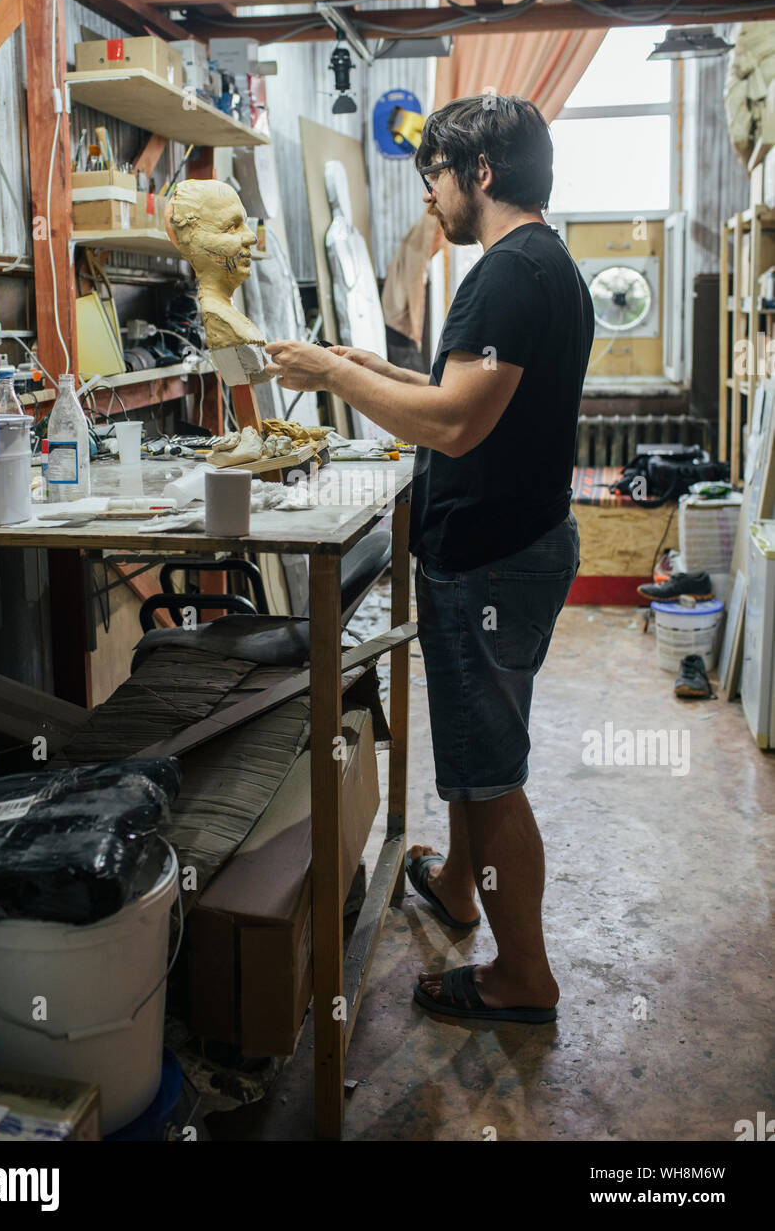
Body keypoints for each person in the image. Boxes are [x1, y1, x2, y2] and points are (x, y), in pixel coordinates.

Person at [265, 94, 594, 1025]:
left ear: (478, 174)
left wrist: (334, 379)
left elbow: (453, 425)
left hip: (494, 557)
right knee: (471, 751)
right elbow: (455, 390)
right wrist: (367, 365)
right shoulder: (543, 264)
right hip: (510, 543)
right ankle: (456, 882)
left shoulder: (504, 274)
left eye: (433, 179)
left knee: (489, 775)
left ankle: (521, 978)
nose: (428, 201)